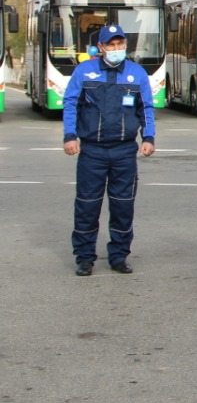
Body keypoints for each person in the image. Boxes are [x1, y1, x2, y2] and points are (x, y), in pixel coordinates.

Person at [62, 24, 156, 276]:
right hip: (92, 152)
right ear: (101, 47)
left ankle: (119, 256)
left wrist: (148, 137)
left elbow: (146, 108)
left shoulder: (136, 73)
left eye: (120, 44)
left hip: (124, 152)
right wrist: (70, 136)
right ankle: (84, 258)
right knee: (87, 206)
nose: (116, 49)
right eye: (111, 45)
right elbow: (71, 104)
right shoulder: (85, 71)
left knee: (123, 207)